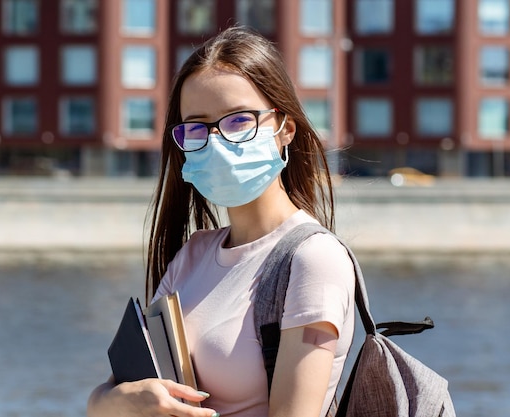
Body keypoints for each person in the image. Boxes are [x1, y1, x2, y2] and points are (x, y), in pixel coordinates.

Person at [87, 26, 355, 417]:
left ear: (285, 129)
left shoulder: (313, 260)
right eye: (196, 127)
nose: (216, 141)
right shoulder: (194, 256)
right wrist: (125, 401)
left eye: (238, 120)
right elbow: (105, 398)